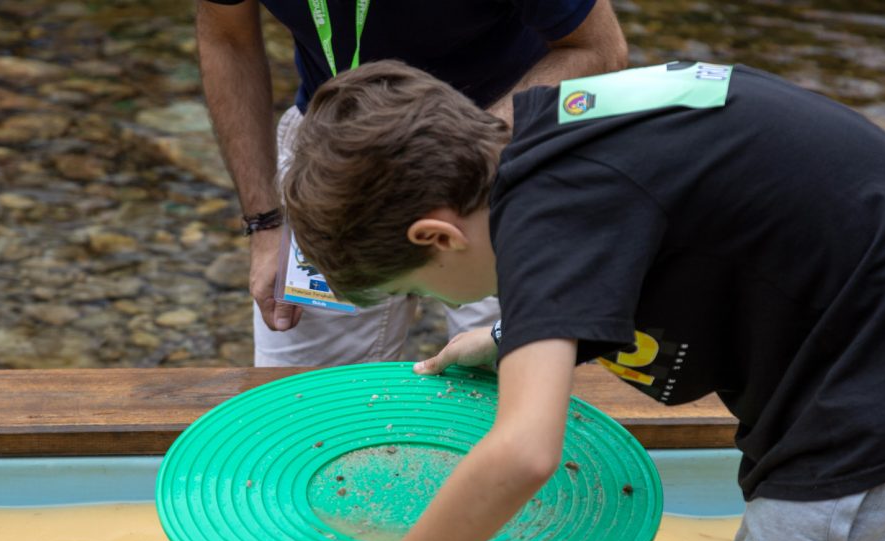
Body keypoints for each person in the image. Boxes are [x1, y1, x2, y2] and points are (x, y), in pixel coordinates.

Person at [279, 60, 885, 541]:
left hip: (883, 391)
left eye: (423, 289)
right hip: (877, 337)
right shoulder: (550, 138)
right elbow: (644, 222)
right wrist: (518, 335)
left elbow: (522, 452)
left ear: (437, 236)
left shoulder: (547, 217)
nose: (444, 304)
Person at [195, 0, 628, 366]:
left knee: (513, 388)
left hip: (500, 154)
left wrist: (464, 158)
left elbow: (599, 49)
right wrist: (265, 223)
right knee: (303, 407)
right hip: (331, 158)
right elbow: (226, 39)